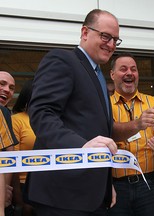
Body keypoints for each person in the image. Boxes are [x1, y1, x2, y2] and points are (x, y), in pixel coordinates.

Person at [26, 9, 120, 216]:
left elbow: (95, 131)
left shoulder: (98, 76)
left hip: (93, 195)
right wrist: (81, 146)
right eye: (105, 36)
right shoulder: (63, 60)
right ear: (85, 32)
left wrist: (105, 184)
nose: (111, 44)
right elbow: (42, 113)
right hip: (63, 195)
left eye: (115, 40)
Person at [108, 52, 154, 216]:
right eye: (123, 69)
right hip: (116, 186)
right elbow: (109, 131)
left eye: (133, 69)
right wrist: (137, 124)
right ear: (112, 74)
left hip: (152, 183)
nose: (129, 73)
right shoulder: (104, 105)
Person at [11, 79, 36, 216]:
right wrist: (20, 201)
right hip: (23, 185)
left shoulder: (54, 121)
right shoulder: (17, 120)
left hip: (49, 186)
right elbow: (12, 161)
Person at [0, 71, 18, 216]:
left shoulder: (4, 113)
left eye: (11, 88)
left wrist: (4, 188)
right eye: (2, 84)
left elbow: (7, 155)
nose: (7, 90)